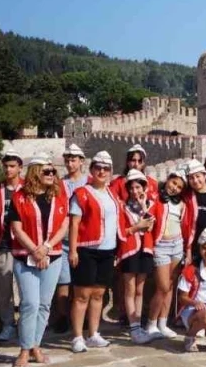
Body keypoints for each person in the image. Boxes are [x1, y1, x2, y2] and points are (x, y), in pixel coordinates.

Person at [7, 154, 69, 367]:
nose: (52, 175)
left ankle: (35, 346)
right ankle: (24, 349)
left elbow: (64, 226)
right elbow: (17, 228)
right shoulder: (19, 197)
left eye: (53, 171)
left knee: (44, 305)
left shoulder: (59, 196)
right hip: (26, 256)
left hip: (53, 255)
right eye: (47, 171)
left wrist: (46, 248)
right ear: (35, 173)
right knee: (29, 304)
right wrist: (35, 250)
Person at [67, 151, 122, 353]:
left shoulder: (112, 194)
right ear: (91, 169)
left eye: (106, 168)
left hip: (107, 250)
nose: (102, 171)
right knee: (82, 295)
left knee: (99, 294)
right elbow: (74, 223)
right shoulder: (81, 193)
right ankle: (77, 336)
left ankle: (93, 334)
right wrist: (73, 250)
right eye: (98, 167)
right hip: (86, 249)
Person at [145, 168, 193, 340]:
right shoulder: (156, 199)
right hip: (161, 246)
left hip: (177, 245)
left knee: (171, 286)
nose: (175, 188)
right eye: (173, 183)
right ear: (167, 180)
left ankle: (163, 323)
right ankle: (151, 324)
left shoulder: (182, 204)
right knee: (162, 287)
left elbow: (185, 225)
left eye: (179, 187)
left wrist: (187, 248)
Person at [116, 168, 157, 344]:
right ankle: (133, 327)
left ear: (144, 187)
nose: (135, 191)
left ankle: (138, 325)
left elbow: (150, 226)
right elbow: (121, 231)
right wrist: (136, 227)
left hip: (145, 249)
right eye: (131, 188)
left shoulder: (150, 205)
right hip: (129, 250)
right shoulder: (122, 207)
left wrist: (143, 207)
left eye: (138, 187)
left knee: (140, 290)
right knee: (130, 288)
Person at [52, 143, 89, 334]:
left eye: (73, 160)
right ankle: (62, 316)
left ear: (81, 161)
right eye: (67, 160)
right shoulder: (59, 184)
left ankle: (83, 318)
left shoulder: (89, 182)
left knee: (83, 282)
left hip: (84, 238)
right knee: (63, 281)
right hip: (64, 238)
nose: (70, 163)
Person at [0, 150, 23, 344]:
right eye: (6, 166)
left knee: (26, 288)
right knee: (5, 289)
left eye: (12, 166)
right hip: (4, 245)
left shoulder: (28, 188)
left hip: (25, 245)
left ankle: (26, 324)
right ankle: (8, 324)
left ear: (20, 168)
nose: (8, 170)